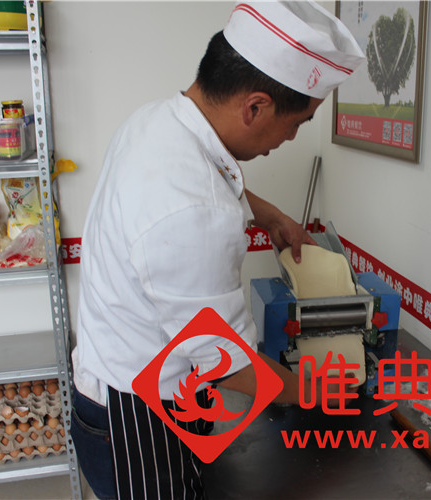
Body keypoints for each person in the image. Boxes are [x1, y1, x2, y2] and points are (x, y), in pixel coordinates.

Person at [70, 2, 364, 499]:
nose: (291, 137)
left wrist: (271, 216)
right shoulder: (195, 212)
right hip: (137, 422)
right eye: (297, 122)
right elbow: (230, 364)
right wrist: (311, 391)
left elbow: (212, 179)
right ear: (255, 107)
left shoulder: (157, 121)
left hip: (108, 380)